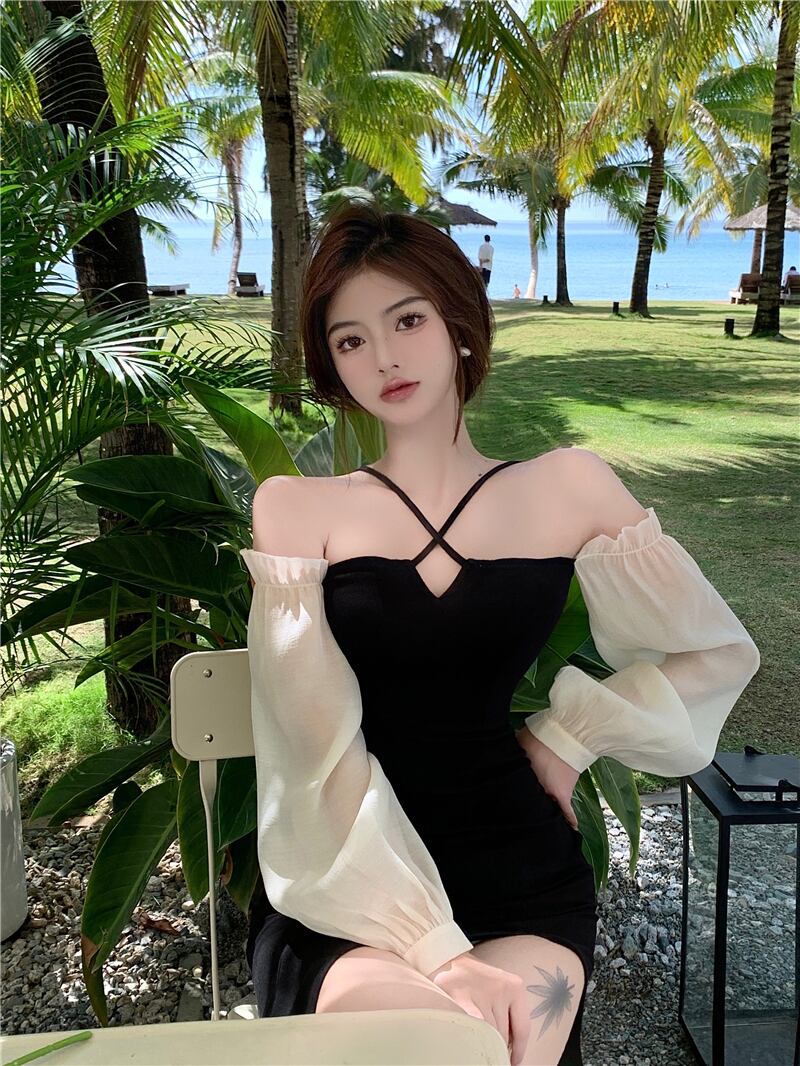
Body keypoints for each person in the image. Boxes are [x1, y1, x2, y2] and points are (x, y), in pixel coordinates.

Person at [240, 204, 761, 1066]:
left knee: (492, 1048)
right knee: (427, 1049)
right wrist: (437, 949)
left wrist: (566, 739)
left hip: (521, 871)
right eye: (351, 340)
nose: (385, 357)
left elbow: (714, 650)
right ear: (332, 366)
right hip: (346, 881)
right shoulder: (296, 510)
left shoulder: (567, 488)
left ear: (458, 325)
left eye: (407, 320)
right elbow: (310, 752)